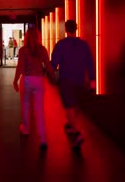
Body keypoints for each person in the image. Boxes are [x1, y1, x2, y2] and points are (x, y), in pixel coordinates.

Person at [51, 20, 96, 148]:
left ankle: (76, 133)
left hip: (66, 80)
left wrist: (48, 72)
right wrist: (92, 79)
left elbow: (54, 63)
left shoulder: (61, 44)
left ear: (66, 29)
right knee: (75, 105)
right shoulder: (84, 45)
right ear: (76, 29)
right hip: (80, 80)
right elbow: (90, 63)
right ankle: (71, 126)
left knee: (69, 106)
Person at [13, 28, 54, 150]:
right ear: (38, 37)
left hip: (26, 80)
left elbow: (20, 67)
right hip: (39, 80)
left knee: (25, 105)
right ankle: (43, 138)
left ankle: (26, 129)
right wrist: (53, 77)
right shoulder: (42, 50)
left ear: (26, 37)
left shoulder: (23, 50)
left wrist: (15, 80)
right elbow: (48, 65)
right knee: (39, 109)